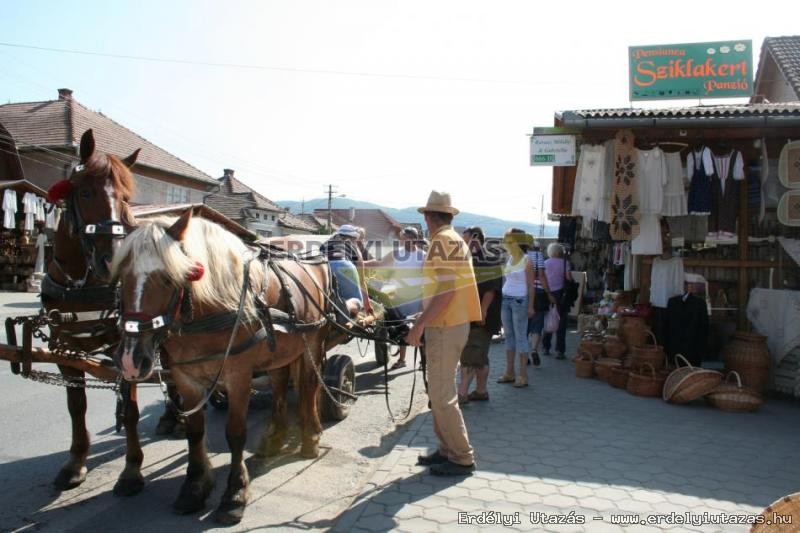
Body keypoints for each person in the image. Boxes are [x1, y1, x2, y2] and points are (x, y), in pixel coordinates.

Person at [406, 190, 481, 476]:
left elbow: (446, 292)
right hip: (448, 323)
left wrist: (420, 324)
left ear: (428, 216)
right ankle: (448, 449)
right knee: (438, 391)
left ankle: (461, 457)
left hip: (445, 326)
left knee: (441, 394)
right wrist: (424, 317)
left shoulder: (444, 241)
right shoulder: (450, 239)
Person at [367, 226, 426, 369]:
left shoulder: (423, 255)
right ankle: (402, 360)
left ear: (413, 239)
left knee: (420, 327)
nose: (402, 242)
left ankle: (424, 361)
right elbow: (380, 263)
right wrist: (360, 264)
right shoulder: (396, 253)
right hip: (397, 296)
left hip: (415, 296)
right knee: (401, 327)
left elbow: (427, 275)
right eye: (401, 239)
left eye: (405, 239)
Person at [457, 226, 501, 404]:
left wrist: (481, 312)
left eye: (466, 240)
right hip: (477, 315)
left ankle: (462, 393)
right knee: (480, 354)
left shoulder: (485, 259)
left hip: (480, 317)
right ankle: (481, 391)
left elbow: (490, 290)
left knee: (471, 354)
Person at [497, 228, 536, 388]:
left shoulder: (527, 261)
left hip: (520, 301)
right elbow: (506, 279)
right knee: (510, 337)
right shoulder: (510, 258)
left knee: (520, 338)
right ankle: (510, 372)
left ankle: (523, 375)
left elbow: (531, 286)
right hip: (506, 300)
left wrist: (531, 306)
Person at [319, 224, 374, 316]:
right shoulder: (353, 244)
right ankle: (345, 307)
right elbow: (362, 281)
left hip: (323, 267)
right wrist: (367, 304)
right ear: (354, 237)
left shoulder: (326, 243)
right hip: (343, 266)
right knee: (357, 302)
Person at [541, 242, 573, 359]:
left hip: (547, 293)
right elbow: (569, 278)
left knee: (548, 318)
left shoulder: (545, 263)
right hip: (561, 294)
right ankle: (560, 350)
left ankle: (545, 347)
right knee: (562, 321)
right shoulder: (565, 263)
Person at [526, 237, 556, 365]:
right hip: (538, 293)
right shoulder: (538, 257)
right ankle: (534, 350)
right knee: (537, 324)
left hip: (524, 292)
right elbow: (542, 276)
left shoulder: (521, 256)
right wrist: (549, 293)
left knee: (525, 326)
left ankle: (524, 354)